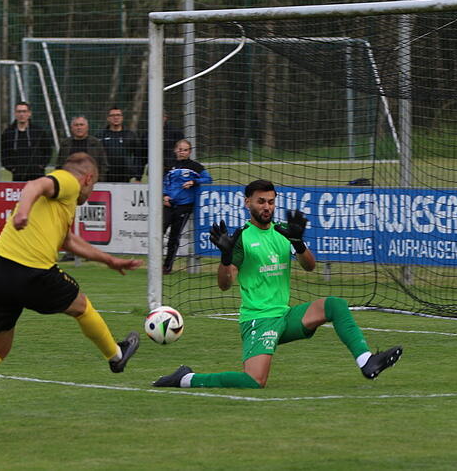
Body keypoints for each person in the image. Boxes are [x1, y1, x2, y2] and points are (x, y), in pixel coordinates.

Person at [0, 152, 144, 440]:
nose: (90, 192)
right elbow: (34, 186)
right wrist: (24, 211)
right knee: (82, 307)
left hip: (1, 269)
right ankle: (116, 355)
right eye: (94, 185)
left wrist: (109, 260)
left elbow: (67, 240)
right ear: (88, 177)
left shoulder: (63, 206)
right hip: (34, 273)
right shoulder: (69, 182)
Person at [152, 179, 403, 389]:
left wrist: (299, 243)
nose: (267, 207)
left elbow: (309, 266)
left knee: (334, 305)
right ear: (247, 202)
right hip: (258, 319)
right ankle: (185, 378)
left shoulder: (283, 231)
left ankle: (366, 360)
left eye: (271, 202)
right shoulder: (241, 237)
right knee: (254, 382)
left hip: (285, 315)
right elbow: (224, 285)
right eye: (261, 201)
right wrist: (226, 257)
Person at [162, 139, 212, 274]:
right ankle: (155, 262)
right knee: (159, 231)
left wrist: (193, 182)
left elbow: (208, 179)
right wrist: (164, 195)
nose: (182, 152)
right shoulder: (169, 165)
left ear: (189, 152)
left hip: (185, 205)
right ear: (175, 150)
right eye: (180, 149)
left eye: (185, 150)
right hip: (168, 204)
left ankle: (167, 266)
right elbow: (163, 182)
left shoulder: (194, 166)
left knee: (174, 236)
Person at [1, 102, 52, 182]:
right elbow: (4, 153)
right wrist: (12, 168)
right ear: (15, 113)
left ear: (29, 113)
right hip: (18, 176)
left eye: (24, 111)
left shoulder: (39, 131)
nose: (22, 114)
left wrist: (41, 165)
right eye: (19, 111)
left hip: (38, 175)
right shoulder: (8, 133)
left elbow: (47, 150)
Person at [57, 116, 109, 182]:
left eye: (81, 125)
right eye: (76, 125)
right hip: (69, 182)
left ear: (87, 127)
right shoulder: (65, 144)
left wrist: (98, 180)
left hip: (90, 182)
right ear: (72, 128)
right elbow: (59, 164)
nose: (79, 127)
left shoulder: (96, 143)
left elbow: (103, 164)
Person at [97, 107, 141, 182]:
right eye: (112, 115)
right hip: (105, 176)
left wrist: (137, 176)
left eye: (118, 115)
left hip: (125, 176)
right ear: (108, 118)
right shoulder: (100, 135)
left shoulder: (130, 135)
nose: (116, 117)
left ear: (122, 118)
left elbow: (138, 156)